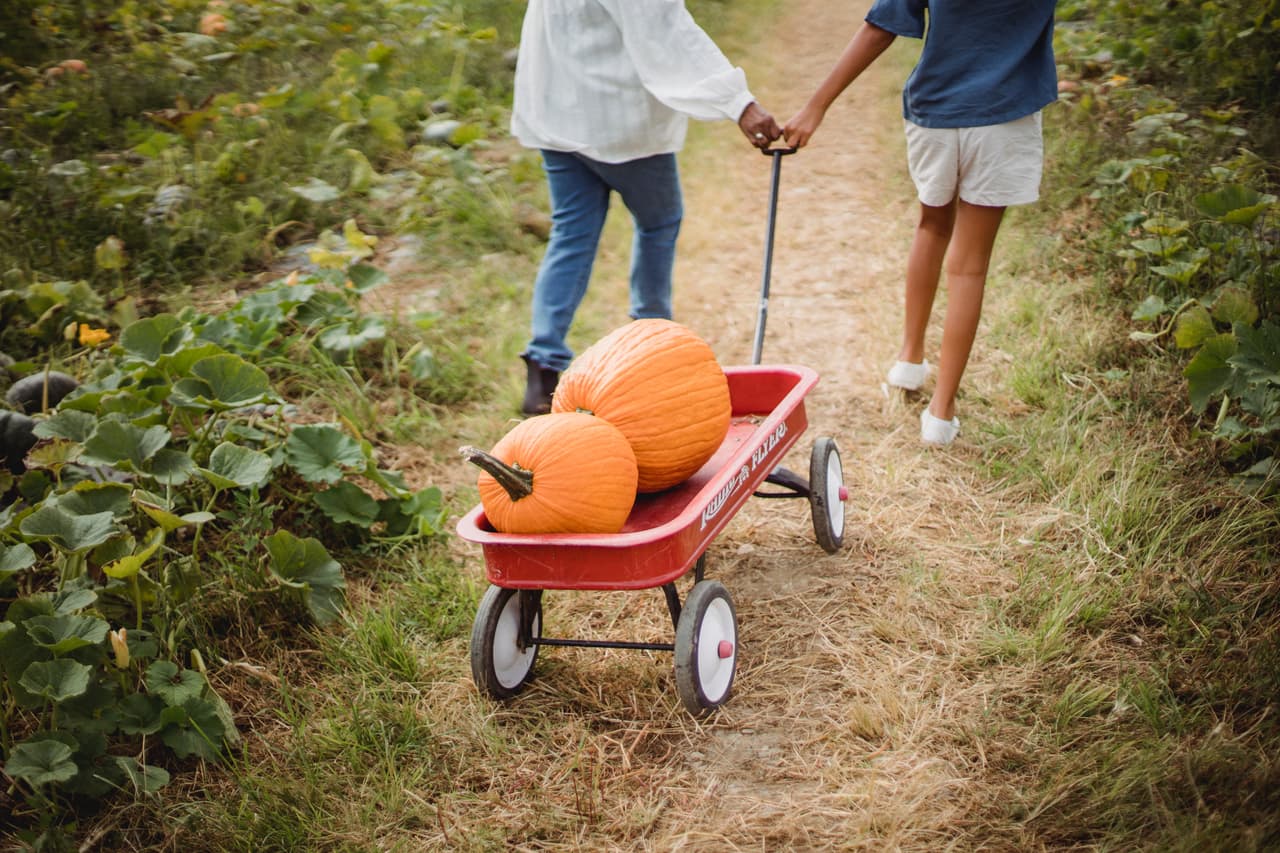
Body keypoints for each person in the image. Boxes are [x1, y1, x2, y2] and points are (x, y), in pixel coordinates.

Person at [783, 0, 1057, 445]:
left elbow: (881, 26)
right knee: (969, 266)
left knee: (930, 227)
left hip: (935, 111)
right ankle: (940, 413)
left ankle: (909, 360)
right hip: (1005, 117)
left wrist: (817, 107)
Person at [510, 0, 783, 415]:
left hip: (557, 113)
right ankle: (651, 350)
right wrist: (740, 104)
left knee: (572, 234)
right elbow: (666, 31)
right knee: (658, 223)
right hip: (615, 121)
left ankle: (543, 368)